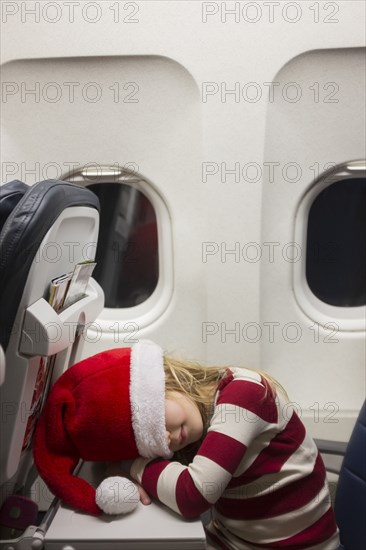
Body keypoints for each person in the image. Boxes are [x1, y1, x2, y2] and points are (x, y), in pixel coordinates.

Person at [128, 353, 340, 549]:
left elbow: (193, 496)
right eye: (150, 437)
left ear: (164, 380)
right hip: (233, 540)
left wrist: (133, 465)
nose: (165, 438)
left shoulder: (244, 395)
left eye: (157, 418)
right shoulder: (195, 421)